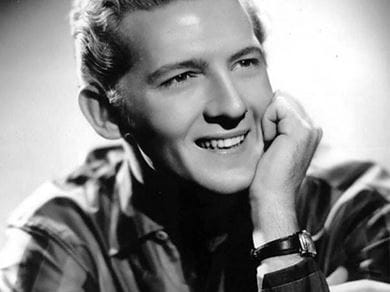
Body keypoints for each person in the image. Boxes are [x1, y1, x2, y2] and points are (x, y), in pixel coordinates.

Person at [0, 0, 389, 291]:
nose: (233, 105)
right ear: (104, 114)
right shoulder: (62, 237)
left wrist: (277, 231)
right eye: (181, 77)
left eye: (245, 63)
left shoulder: (359, 208)